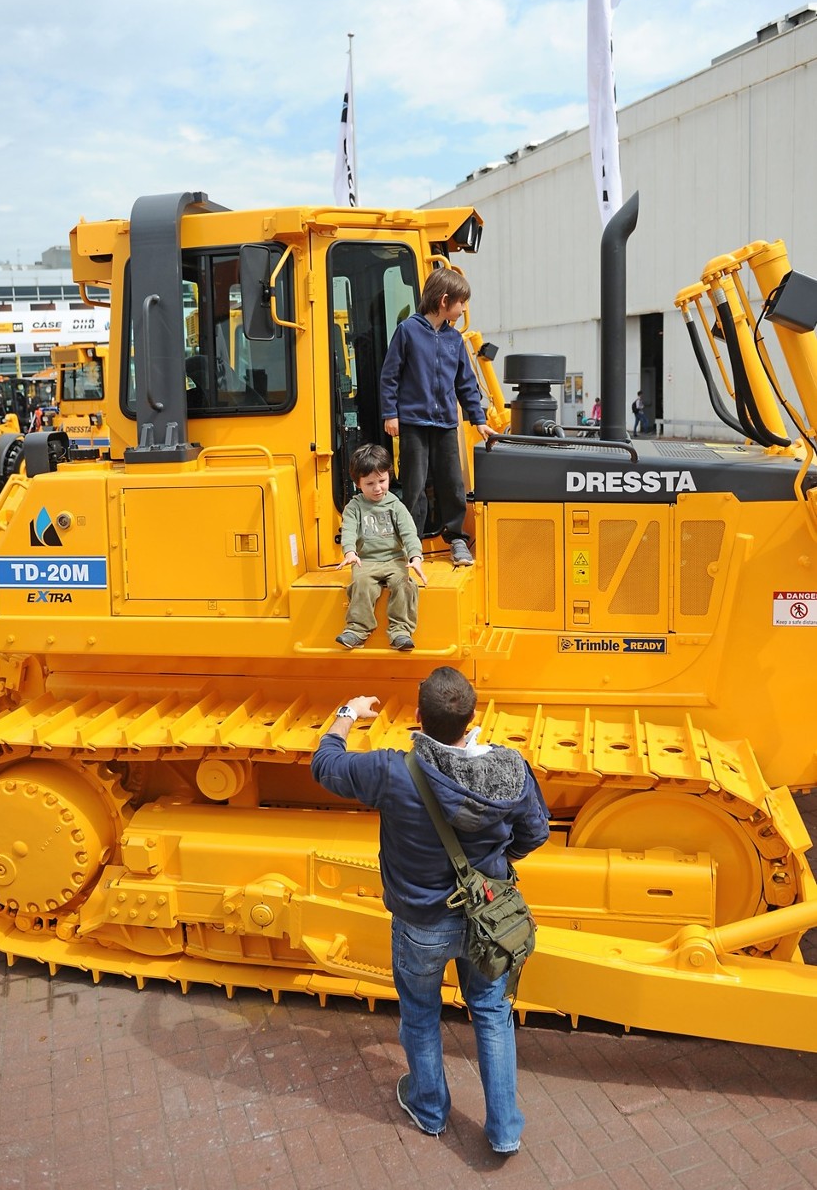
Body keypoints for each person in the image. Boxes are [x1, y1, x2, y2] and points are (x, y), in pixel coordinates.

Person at [310, 667, 550, 1154]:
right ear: (472, 717)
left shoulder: (392, 771)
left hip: (420, 923)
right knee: (490, 1013)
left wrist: (347, 713)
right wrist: (497, 865)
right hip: (488, 917)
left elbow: (326, 765)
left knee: (420, 1014)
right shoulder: (510, 770)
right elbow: (536, 832)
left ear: (418, 718)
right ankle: (504, 1131)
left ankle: (430, 1109)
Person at [380, 268, 496, 568]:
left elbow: (466, 383)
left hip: (445, 423)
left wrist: (478, 418)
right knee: (415, 484)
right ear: (445, 301)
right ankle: (412, 540)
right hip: (413, 424)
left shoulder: (453, 340)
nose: (464, 308)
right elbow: (390, 376)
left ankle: (456, 537)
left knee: (451, 482)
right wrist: (390, 414)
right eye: (462, 303)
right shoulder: (408, 331)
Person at [336, 443, 428, 651]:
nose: (377, 488)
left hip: (395, 559)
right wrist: (350, 552)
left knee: (404, 583)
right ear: (358, 484)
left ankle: (400, 631)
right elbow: (348, 530)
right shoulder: (354, 507)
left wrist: (415, 557)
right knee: (361, 584)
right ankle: (357, 630)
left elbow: (408, 532)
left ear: (389, 475)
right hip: (366, 561)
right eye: (370, 483)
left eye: (382, 481)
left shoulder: (395, 505)